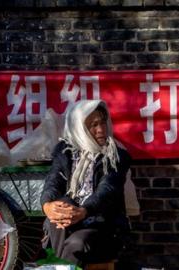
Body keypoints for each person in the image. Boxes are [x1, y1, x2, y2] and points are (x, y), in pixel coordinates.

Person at [40, 99, 131, 267]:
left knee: (76, 244)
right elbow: (53, 181)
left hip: (102, 227)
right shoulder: (64, 151)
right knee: (60, 205)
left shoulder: (116, 155)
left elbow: (107, 190)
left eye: (103, 122)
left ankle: (60, 264)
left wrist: (84, 211)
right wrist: (47, 206)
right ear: (79, 128)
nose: (101, 130)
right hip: (66, 224)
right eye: (93, 125)